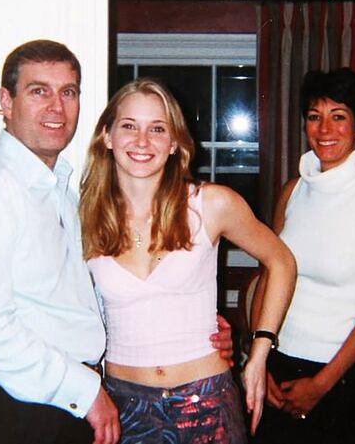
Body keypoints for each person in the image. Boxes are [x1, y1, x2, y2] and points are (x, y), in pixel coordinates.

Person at [0, 40, 233, 444]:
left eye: (68, 92)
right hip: (20, 410)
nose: (56, 107)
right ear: (7, 101)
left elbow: (79, 302)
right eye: (39, 90)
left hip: (69, 407)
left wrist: (190, 324)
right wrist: (86, 390)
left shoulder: (68, 195)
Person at [79, 78, 297, 443]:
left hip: (207, 401)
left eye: (158, 129)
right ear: (107, 136)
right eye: (129, 126)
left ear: (175, 143)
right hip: (123, 406)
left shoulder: (210, 204)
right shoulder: (83, 217)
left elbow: (282, 261)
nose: (142, 141)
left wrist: (259, 352)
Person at [251, 67, 355, 444]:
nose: (324, 129)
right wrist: (258, 356)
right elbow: (268, 276)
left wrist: (321, 384)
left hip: (339, 378)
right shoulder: (293, 189)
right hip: (277, 366)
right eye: (315, 117)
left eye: (339, 117)